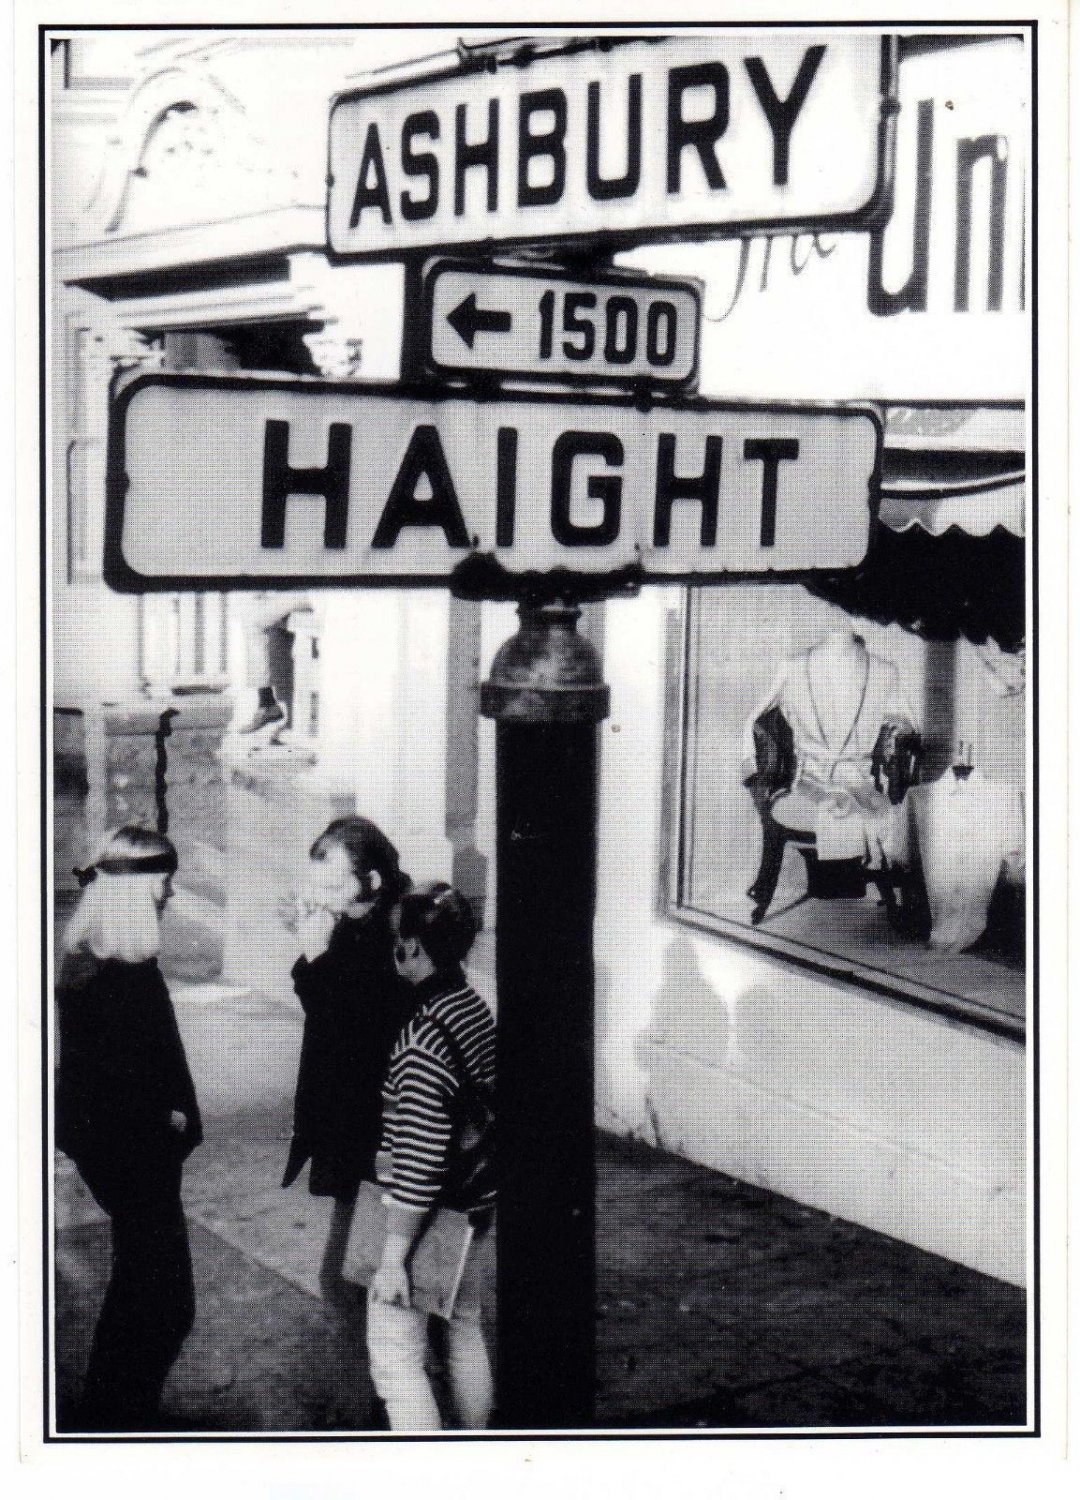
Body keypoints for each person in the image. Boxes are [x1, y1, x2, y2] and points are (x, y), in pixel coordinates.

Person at [55, 826, 202, 1432]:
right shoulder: (121, 978)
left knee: (143, 1290)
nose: (169, 892)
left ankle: (114, 1410)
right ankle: (117, 1419)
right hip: (137, 1159)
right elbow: (123, 1083)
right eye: (162, 880)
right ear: (132, 890)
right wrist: (165, 1120)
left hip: (124, 1156)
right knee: (163, 1300)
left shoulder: (98, 965)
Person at [367, 882, 496, 1431]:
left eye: (398, 941)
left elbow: (420, 1165)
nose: (392, 950)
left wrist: (394, 1257)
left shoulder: (422, 1042)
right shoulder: (470, 1005)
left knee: (396, 1360)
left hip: (431, 1222)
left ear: (414, 950)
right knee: (465, 1331)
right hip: (478, 1209)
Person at [281, 817, 411, 1331]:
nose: (321, 896)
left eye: (333, 885)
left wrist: (315, 955)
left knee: (349, 1279)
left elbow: (345, 1028)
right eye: (317, 883)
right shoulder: (364, 922)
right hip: (359, 1124)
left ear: (370, 883)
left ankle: (383, 1393)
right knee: (354, 1276)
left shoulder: (386, 938)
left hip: (374, 1128)